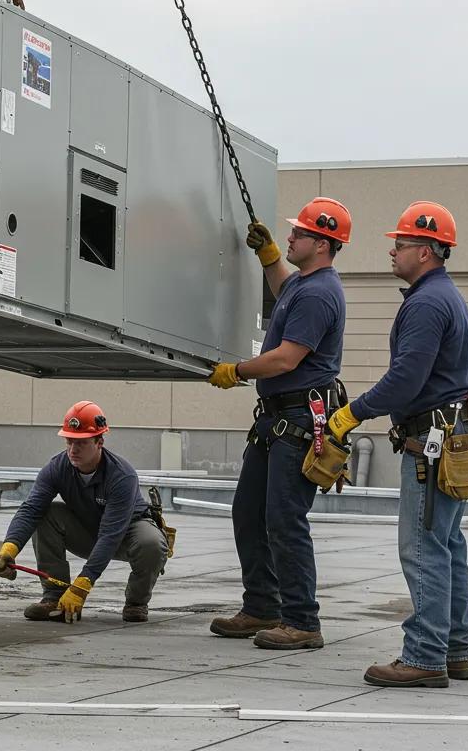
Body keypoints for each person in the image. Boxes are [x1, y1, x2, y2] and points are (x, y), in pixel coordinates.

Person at [327, 202, 468, 688]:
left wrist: (353, 413)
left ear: (428, 251)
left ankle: (425, 656)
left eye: (402, 244)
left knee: (422, 548)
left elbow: (405, 379)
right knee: (447, 544)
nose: (393, 251)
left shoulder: (427, 303)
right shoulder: (444, 296)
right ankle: (454, 649)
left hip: (433, 443)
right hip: (455, 438)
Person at [206, 198, 349, 650]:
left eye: (298, 234)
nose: (289, 238)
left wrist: (238, 371)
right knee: (248, 513)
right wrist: (270, 258)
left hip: (297, 420)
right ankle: (262, 606)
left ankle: (302, 620)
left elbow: (287, 357)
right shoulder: (303, 284)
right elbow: (285, 287)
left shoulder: (319, 293)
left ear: (322, 244)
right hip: (275, 421)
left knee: (285, 520)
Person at [0, 401, 169, 623]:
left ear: (99, 441)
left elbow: (111, 533)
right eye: (69, 441)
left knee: (151, 543)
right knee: (46, 513)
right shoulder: (57, 467)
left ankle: (136, 603)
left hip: (126, 534)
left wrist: (82, 585)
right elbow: (31, 509)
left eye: (81, 443)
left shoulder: (122, 476)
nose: (73, 450)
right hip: (88, 530)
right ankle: (54, 598)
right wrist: (9, 549)